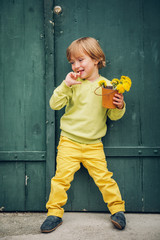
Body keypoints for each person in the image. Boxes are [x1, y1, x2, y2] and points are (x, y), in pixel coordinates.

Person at [40, 37, 126, 233]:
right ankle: (54, 213)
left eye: (80, 60)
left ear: (96, 59)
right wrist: (66, 85)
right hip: (69, 142)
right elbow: (55, 104)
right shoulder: (73, 82)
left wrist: (119, 105)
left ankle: (118, 210)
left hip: (94, 145)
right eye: (72, 62)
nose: (76, 65)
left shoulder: (106, 85)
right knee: (60, 179)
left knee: (104, 178)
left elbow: (113, 115)